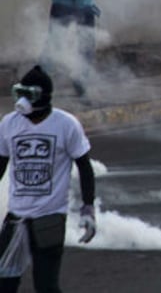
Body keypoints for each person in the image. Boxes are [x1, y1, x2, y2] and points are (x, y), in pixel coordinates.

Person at [0, 65, 96, 293]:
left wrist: (88, 208)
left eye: (28, 95)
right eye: (19, 93)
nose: (22, 101)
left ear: (41, 97)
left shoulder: (66, 124)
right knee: (4, 283)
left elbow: (84, 167)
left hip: (49, 219)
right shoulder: (9, 123)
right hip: (15, 218)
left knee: (45, 286)